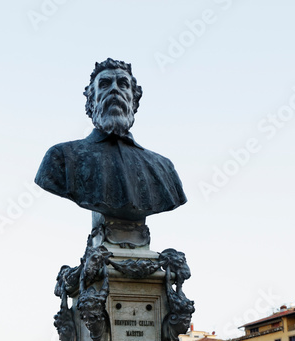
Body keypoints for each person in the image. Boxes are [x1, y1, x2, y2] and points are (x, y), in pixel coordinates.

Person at [35, 58, 187, 222]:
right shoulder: (61, 157)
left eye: (122, 84)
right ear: (92, 101)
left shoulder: (163, 166)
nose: (114, 89)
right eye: (105, 84)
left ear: (134, 100)